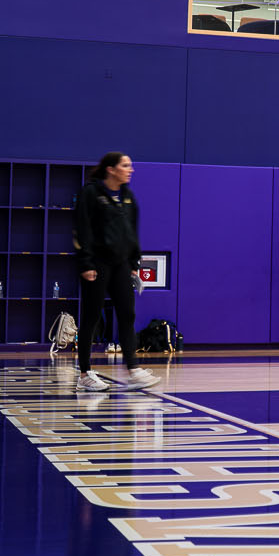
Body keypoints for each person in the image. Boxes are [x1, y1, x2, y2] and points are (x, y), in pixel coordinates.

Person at [72, 151, 160, 391]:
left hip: (121, 265)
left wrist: (134, 264)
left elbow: (132, 233)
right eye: (125, 165)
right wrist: (86, 263)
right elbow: (82, 230)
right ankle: (85, 373)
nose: (130, 170)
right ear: (111, 169)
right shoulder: (91, 193)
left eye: (130, 165)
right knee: (91, 317)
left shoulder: (128, 197)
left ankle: (133, 370)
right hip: (97, 264)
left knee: (127, 314)